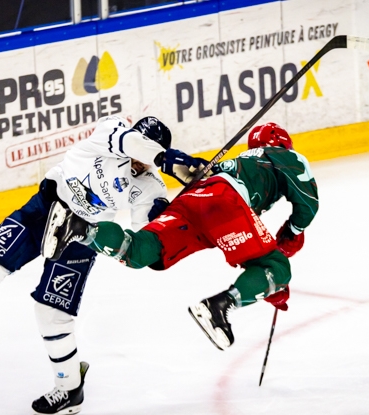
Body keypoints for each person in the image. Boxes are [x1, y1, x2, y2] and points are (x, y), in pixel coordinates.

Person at [0, 115, 176, 415]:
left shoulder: (150, 186)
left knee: (52, 315)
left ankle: (69, 389)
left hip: (80, 234)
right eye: (142, 148)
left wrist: (168, 216)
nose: (138, 159)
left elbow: (145, 242)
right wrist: (161, 155)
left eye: (148, 157)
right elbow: (131, 143)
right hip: (44, 209)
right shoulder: (113, 132)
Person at [54, 122, 319, 350]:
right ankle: (219, 307)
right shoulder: (288, 157)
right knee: (277, 267)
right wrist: (289, 241)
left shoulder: (241, 163)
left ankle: (81, 228)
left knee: (140, 251)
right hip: (226, 201)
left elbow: (233, 216)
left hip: (195, 199)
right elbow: (308, 204)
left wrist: (264, 282)